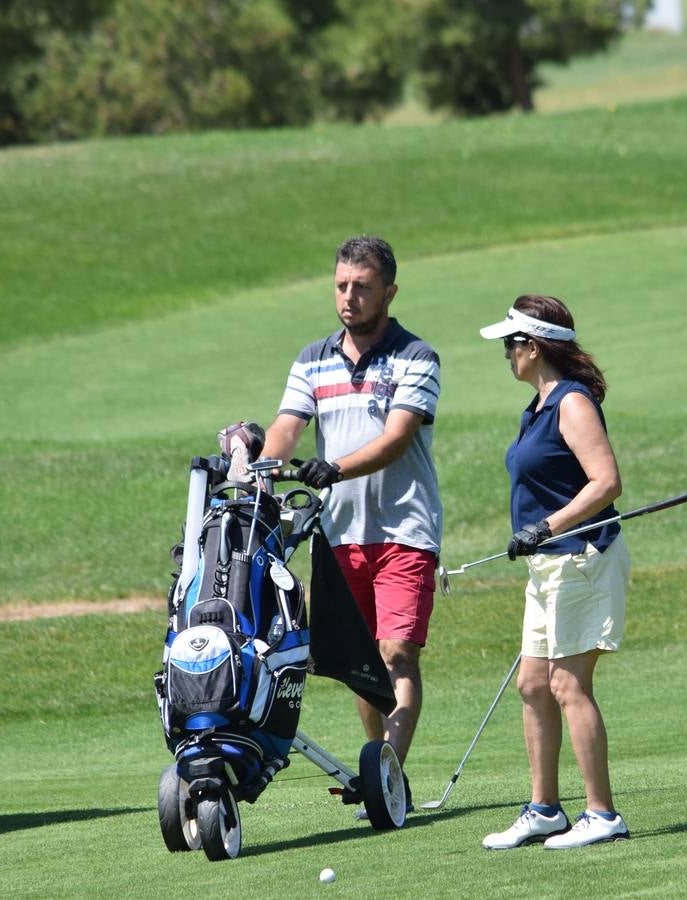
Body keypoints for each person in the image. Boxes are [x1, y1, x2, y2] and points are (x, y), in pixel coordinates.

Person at [260, 235, 441, 790]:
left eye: (361, 287)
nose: (349, 297)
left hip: (404, 528)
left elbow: (394, 440)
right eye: (341, 285)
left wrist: (333, 468)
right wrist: (260, 468)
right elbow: (288, 428)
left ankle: (386, 775)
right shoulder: (312, 359)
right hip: (339, 535)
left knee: (396, 653)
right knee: (362, 669)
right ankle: (380, 772)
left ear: (389, 290)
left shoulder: (417, 357)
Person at [478, 294, 632, 850]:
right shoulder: (538, 406)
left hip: (582, 558)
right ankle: (545, 809)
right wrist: (540, 537)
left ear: (533, 345)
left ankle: (602, 814)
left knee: (568, 684)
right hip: (549, 565)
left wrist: (548, 525)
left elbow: (605, 481)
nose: (505, 355)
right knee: (533, 683)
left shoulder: (572, 403)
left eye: (509, 344)